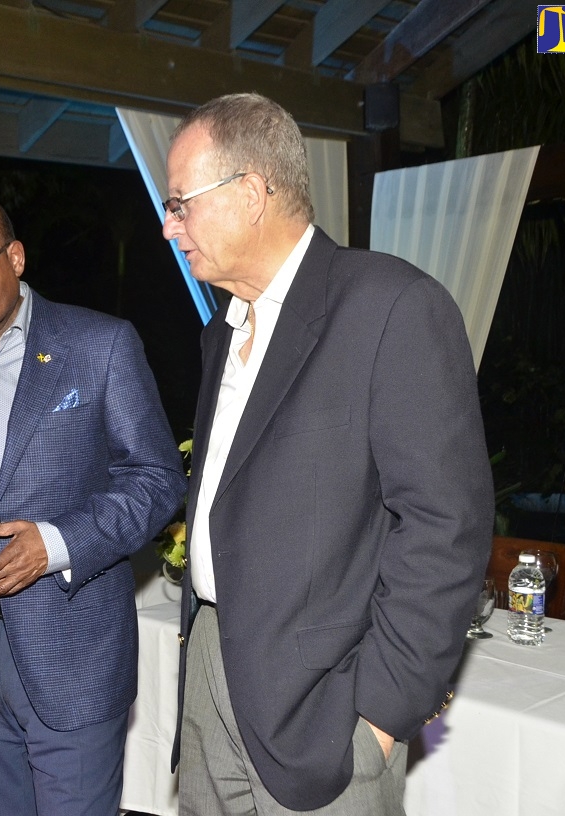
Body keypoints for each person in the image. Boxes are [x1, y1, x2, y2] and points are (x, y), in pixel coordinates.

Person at [164, 93, 493, 815]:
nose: (169, 226)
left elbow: (446, 525)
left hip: (323, 707)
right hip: (211, 667)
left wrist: (381, 717)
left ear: (250, 193)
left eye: (181, 203)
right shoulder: (222, 329)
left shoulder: (392, 307)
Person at [0, 195, 186, 816]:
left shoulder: (100, 345)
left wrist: (57, 544)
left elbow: (156, 478)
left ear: (14, 259)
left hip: (76, 655)